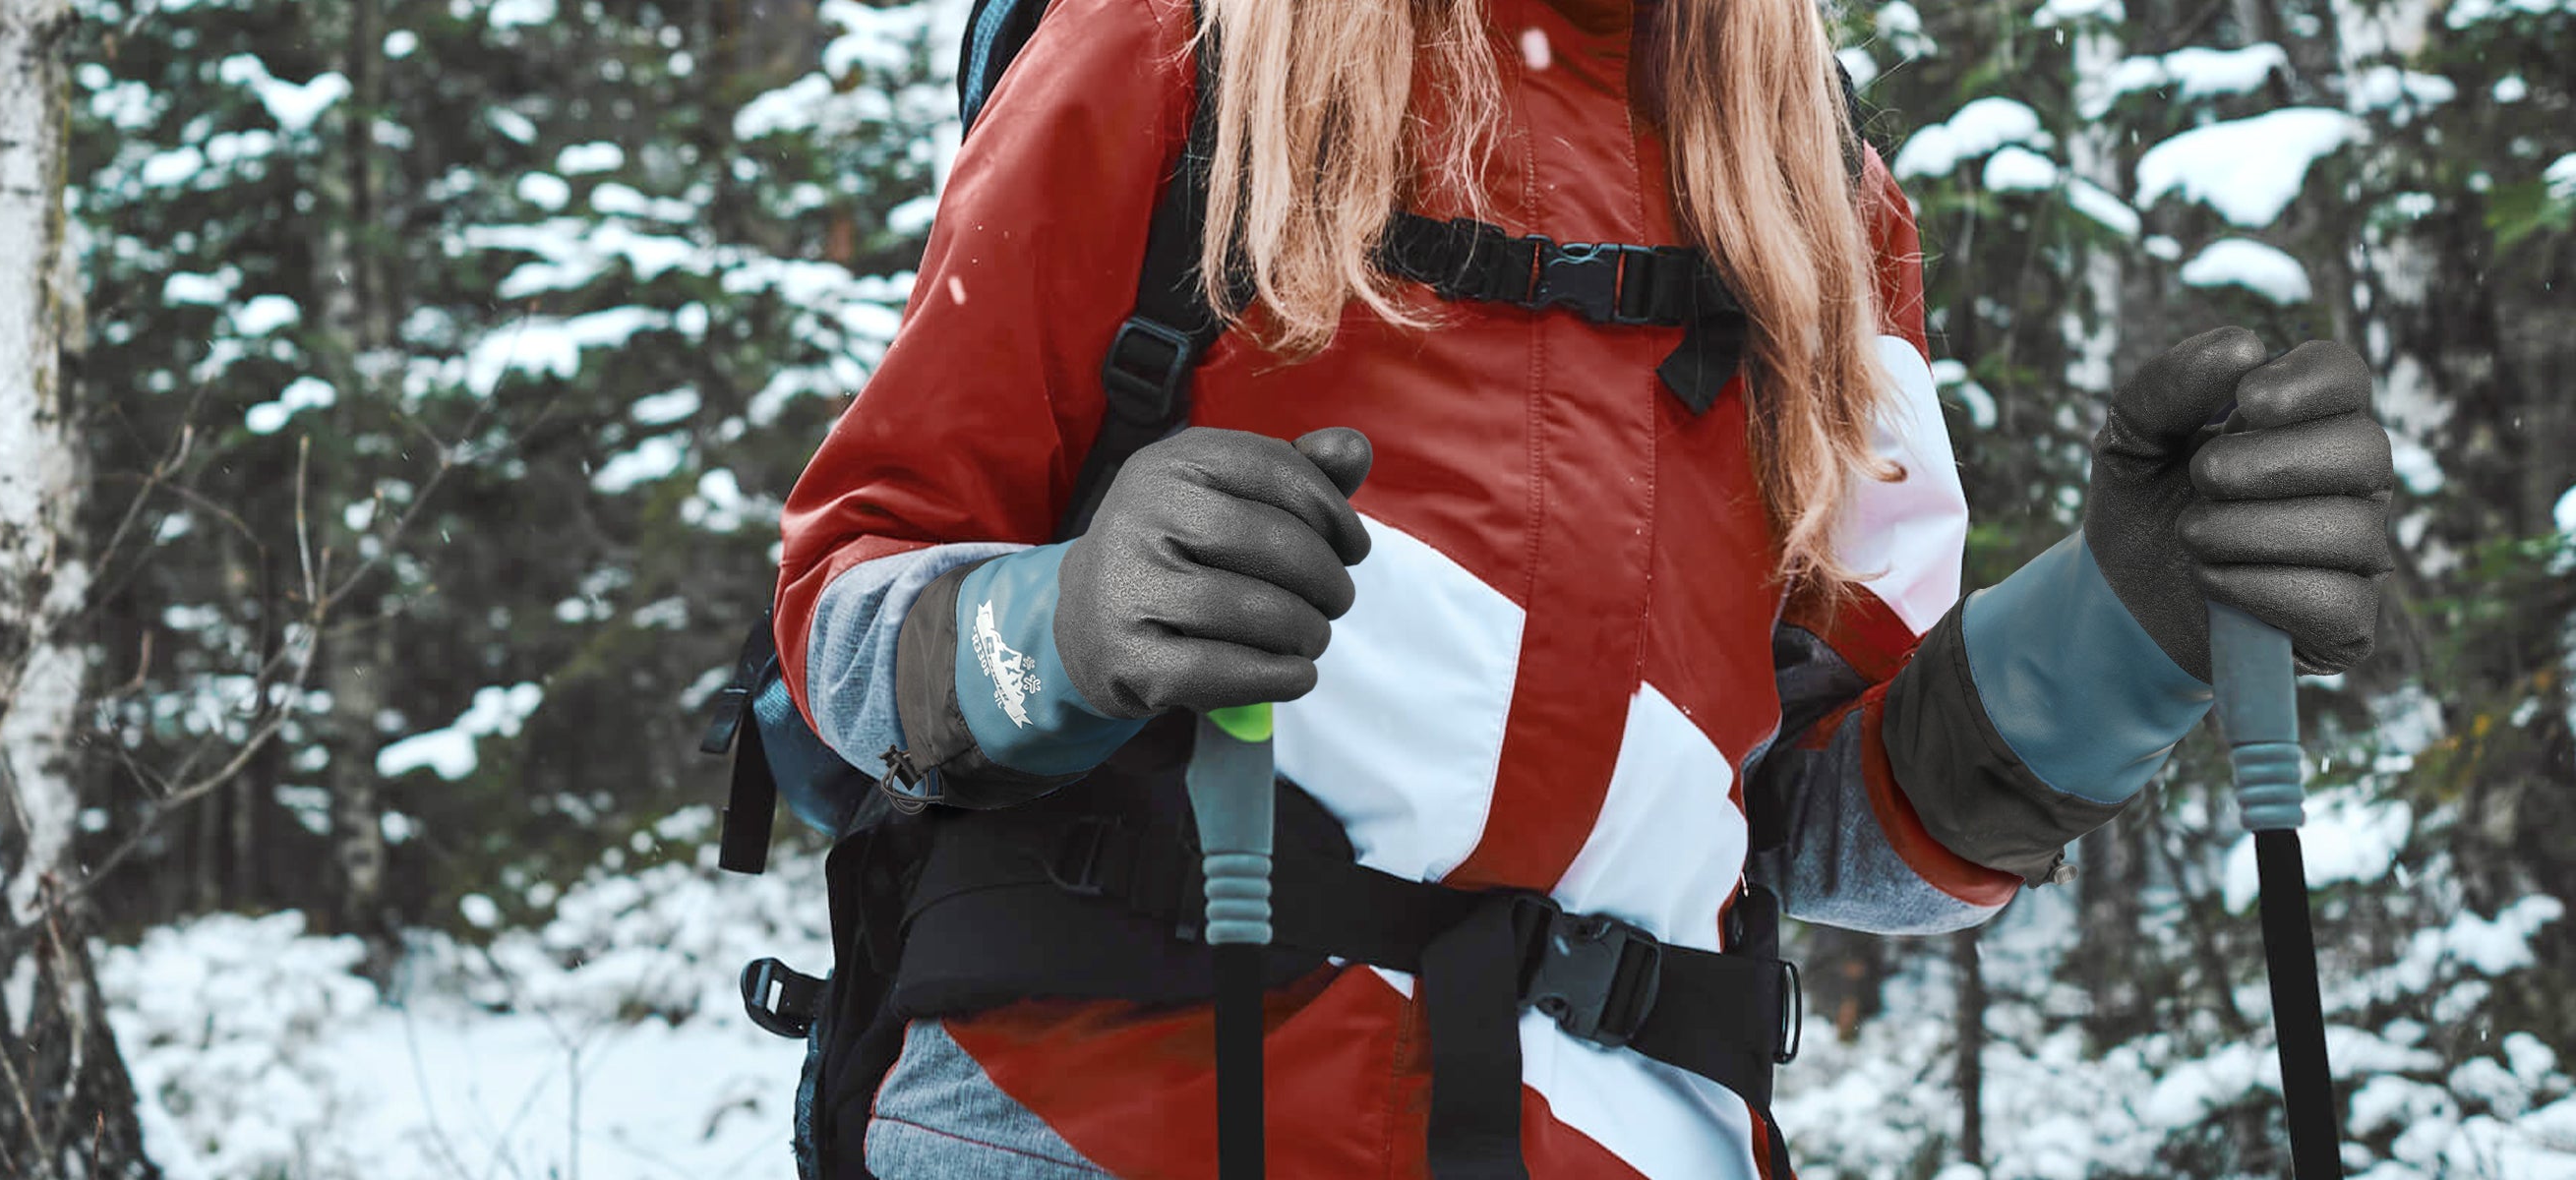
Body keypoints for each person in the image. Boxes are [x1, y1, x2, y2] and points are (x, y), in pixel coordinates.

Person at [769, 0, 2395, 1174]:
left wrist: (2132, 623)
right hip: (1103, 1122)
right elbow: (855, 588)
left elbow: (1824, 812)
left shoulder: (1819, 193)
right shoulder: (1175, 47)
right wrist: (1060, 625)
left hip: (1634, 1135)